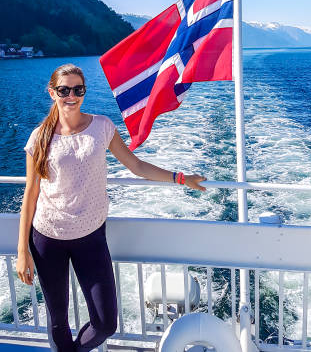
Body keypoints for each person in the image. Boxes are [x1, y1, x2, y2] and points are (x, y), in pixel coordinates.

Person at [16, 63, 206, 352]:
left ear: (84, 92)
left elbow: (136, 165)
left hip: (90, 237)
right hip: (48, 238)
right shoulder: (40, 137)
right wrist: (22, 251)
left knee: (105, 323)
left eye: (78, 90)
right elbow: (30, 194)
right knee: (57, 322)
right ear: (52, 92)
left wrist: (180, 178)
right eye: (64, 90)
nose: (71, 96)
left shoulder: (101, 127)